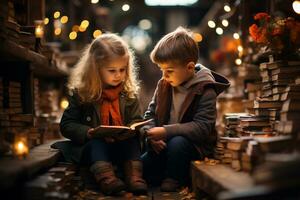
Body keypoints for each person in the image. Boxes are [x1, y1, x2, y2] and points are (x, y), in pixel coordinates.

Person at [55, 33, 147, 195]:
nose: (118, 75)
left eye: (122, 69)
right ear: (96, 69)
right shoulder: (83, 94)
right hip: (95, 150)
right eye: (112, 70)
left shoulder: (128, 93)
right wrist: (88, 132)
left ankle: (134, 177)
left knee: (132, 142)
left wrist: (133, 129)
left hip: (121, 147)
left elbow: (136, 119)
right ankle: (107, 179)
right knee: (97, 143)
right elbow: (67, 125)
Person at [141, 27, 230, 192]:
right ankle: (157, 173)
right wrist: (150, 134)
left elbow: (202, 127)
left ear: (190, 67)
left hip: (192, 146)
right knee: (141, 167)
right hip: (163, 144)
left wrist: (166, 131)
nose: (164, 76)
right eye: (162, 70)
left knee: (177, 143)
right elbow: (150, 114)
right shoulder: (164, 84)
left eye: (169, 71)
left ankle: (174, 178)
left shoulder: (205, 90)